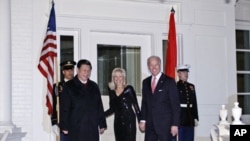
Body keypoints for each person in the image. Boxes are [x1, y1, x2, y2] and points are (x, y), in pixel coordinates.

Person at [59, 59, 107, 141]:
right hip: (76, 128)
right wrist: (64, 126)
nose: (86, 73)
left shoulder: (94, 86)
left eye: (89, 70)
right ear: (78, 70)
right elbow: (64, 108)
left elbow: (99, 106)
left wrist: (102, 124)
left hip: (92, 128)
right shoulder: (69, 86)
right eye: (84, 70)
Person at [139, 55, 180, 141]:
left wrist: (175, 124)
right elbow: (144, 103)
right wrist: (142, 120)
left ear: (160, 65)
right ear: (148, 67)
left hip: (165, 125)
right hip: (150, 125)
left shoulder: (169, 81)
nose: (154, 67)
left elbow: (175, 105)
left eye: (156, 64)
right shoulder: (145, 82)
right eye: (151, 65)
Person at [105, 67, 141, 141]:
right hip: (117, 122)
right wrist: (100, 116)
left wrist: (141, 122)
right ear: (113, 78)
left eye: (120, 76)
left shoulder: (129, 89)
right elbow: (112, 109)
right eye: (116, 76)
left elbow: (136, 107)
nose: (118, 78)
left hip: (129, 121)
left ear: (124, 78)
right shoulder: (111, 91)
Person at [51, 60, 76, 141]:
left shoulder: (78, 86)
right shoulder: (58, 87)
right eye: (67, 70)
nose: (70, 72)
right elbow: (54, 104)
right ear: (63, 72)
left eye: (71, 69)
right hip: (63, 122)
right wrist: (54, 122)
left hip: (77, 122)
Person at [176, 64, 199, 141]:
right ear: (179, 73)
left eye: (187, 72)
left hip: (190, 118)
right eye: (183, 72)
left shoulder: (191, 86)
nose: (186, 74)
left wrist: (195, 117)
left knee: (190, 138)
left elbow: (194, 102)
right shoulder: (175, 86)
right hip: (181, 118)